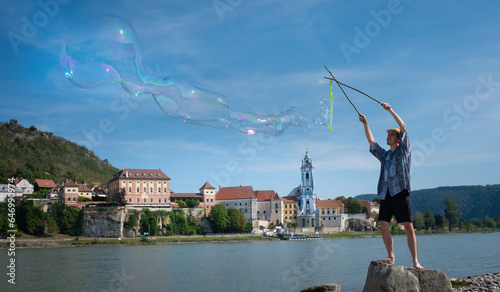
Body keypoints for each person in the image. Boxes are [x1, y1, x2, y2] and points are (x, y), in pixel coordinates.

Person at [359, 102, 423, 270]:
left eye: (391, 135)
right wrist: (366, 124)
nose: (387, 137)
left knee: (409, 227)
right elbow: (372, 142)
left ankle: (415, 261)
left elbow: (403, 126)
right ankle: (391, 256)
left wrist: (390, 110)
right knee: (383, 225)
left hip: (401, 193)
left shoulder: (404, 151)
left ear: (398, 138)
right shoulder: (385, 155)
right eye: (387, 135)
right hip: (385, 194)